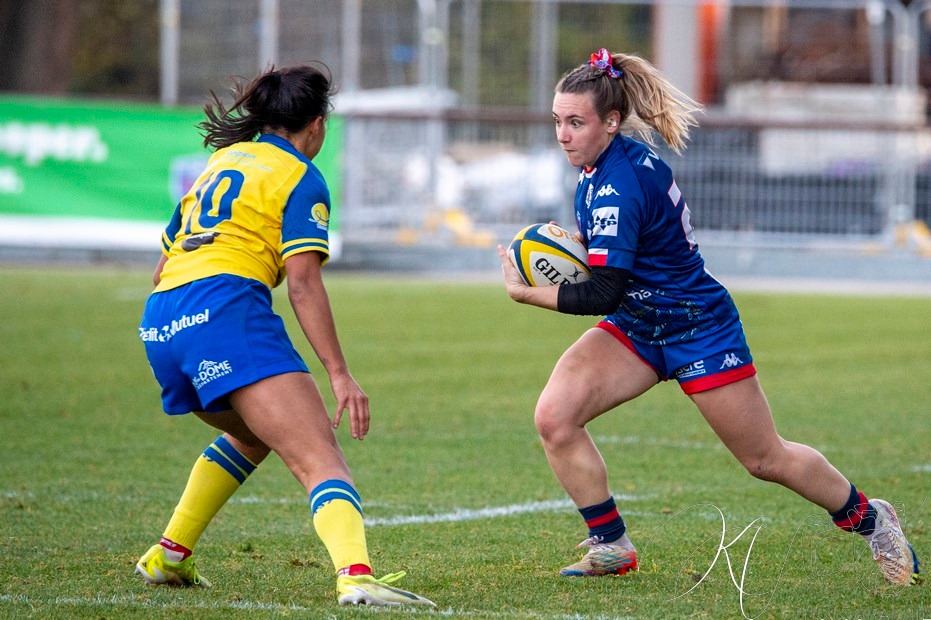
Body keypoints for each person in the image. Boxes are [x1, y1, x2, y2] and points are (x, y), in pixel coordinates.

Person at [497, 48, 920, 586]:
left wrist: (524, 292)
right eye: (558, 121)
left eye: (576, 122)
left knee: (765, 459)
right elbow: (627, 261)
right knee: (555, 418)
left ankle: (871, 520)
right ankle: (611, 544)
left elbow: (602, 292)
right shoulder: (596, 169)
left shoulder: (619, 183)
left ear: (610, 122)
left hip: (696, 326)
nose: (563, 133)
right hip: (640, 325)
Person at [134, 64, 435, 608]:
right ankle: (357, 575)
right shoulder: (300, 175)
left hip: (161, 321)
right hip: (224, 312)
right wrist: (340, 375)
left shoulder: (221, 161)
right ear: (316, 125)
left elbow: (162, 266)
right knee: (320, 457)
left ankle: (170, 554)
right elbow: (303, 284)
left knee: (255, 433)